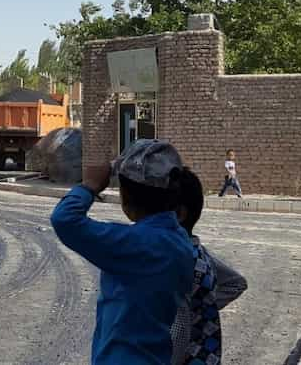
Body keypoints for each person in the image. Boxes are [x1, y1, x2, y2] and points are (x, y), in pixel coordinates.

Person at [51, 139, 194, 364]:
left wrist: (89, 186)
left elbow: (65, 220)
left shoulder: (136, 244)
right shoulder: (180, 242)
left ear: (126, 200)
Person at [171, 168, 248, 364]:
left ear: (179, 214)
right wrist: (204, 308)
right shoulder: (200, 254)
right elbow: (237, 283)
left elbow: (178, 334)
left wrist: (189, 312)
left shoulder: (176, 262)